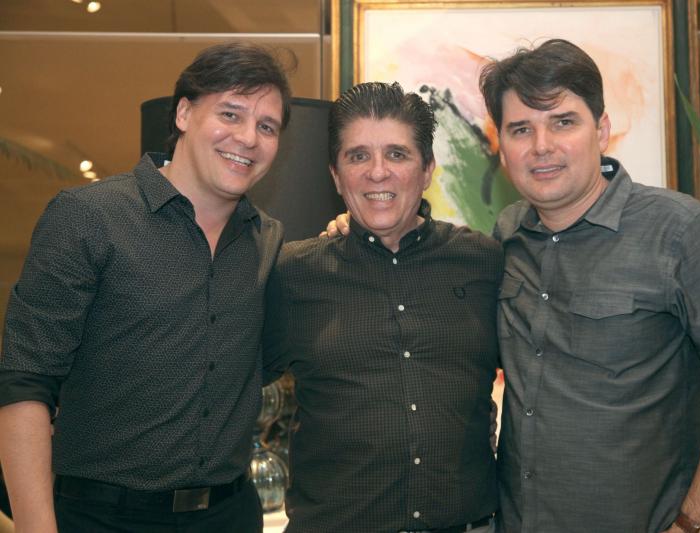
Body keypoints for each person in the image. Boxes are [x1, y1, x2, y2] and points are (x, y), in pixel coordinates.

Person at [479, 39, 700, 532]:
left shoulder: (682, 231)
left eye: (563, 122)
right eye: (521, 129)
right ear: (502, 145)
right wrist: (358, 229)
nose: (541, 145)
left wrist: (695, 526)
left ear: (601, 129)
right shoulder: (508, 234)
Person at [0, 42, 290, 533]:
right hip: (102, 517)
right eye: (230, 113)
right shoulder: (89, 218)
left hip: (230, 515)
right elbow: (24, 381)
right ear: (184, 113)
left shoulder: (268, 240)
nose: (247, 137)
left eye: (267, 126)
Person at [263, 81, 502, 532]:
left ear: (427, 169)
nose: (377, 172)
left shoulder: (484, 262)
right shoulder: (292, 274)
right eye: (358, 156)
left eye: (397, 154)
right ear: (336, 175)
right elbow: (226, 387)